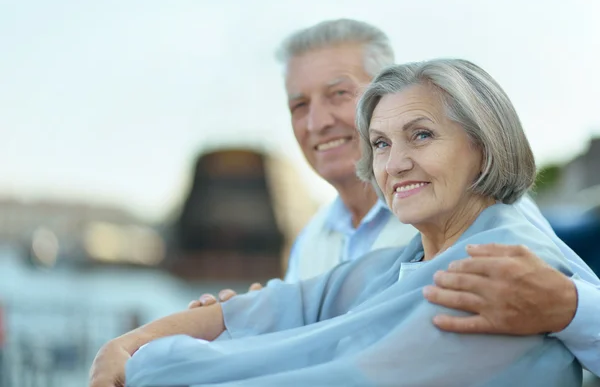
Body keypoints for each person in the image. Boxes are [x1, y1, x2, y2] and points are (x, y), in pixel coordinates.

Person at [91, 59, 584, 387]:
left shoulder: (503, 265)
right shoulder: (401, 263)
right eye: (382, 144)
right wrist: (125, 343)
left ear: (483, 146)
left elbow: (353, 376)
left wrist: (152, 362)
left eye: (421, 135)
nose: (395, 164)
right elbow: (274, 305)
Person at [187, 19, 600, 375]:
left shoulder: (487, 217)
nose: (317, 122)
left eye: (338, 94)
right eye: (299, 105)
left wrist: (568, 306)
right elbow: (310, 347)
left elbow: (554, 300)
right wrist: (238, 330)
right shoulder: (314, 240)